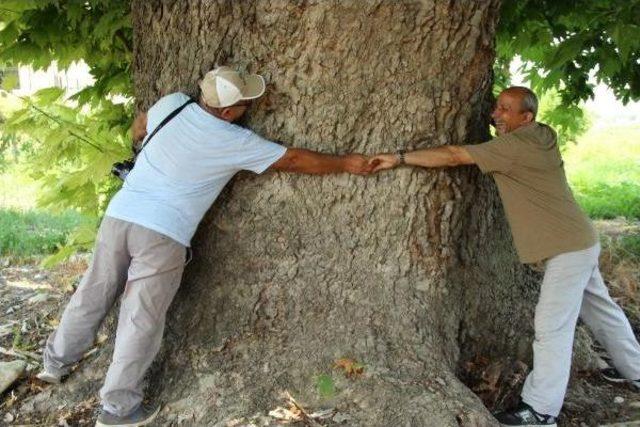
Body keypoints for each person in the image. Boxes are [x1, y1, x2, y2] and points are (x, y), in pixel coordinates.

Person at [37, 66, 374, 427]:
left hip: (121, 215)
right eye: (245, 103)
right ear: (228, 112)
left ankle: (54, 365)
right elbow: (292, 159)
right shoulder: (232, 140)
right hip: (162, 233)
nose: (248, 108)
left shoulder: (174, 104)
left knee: (92, 292)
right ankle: (117, 410)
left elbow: (139, 127)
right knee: (140, 318)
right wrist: (346, 163)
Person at [370, 86, 640, 427]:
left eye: (505, 110)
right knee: (604, 313)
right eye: (497, 106)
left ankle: (540, 411)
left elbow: (454, 155)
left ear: (526, 118)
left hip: (568, 249)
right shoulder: (542, 134)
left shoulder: (515, 146)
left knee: (551, 327)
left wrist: (399, 158)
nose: (495, 114)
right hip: (580, 239)